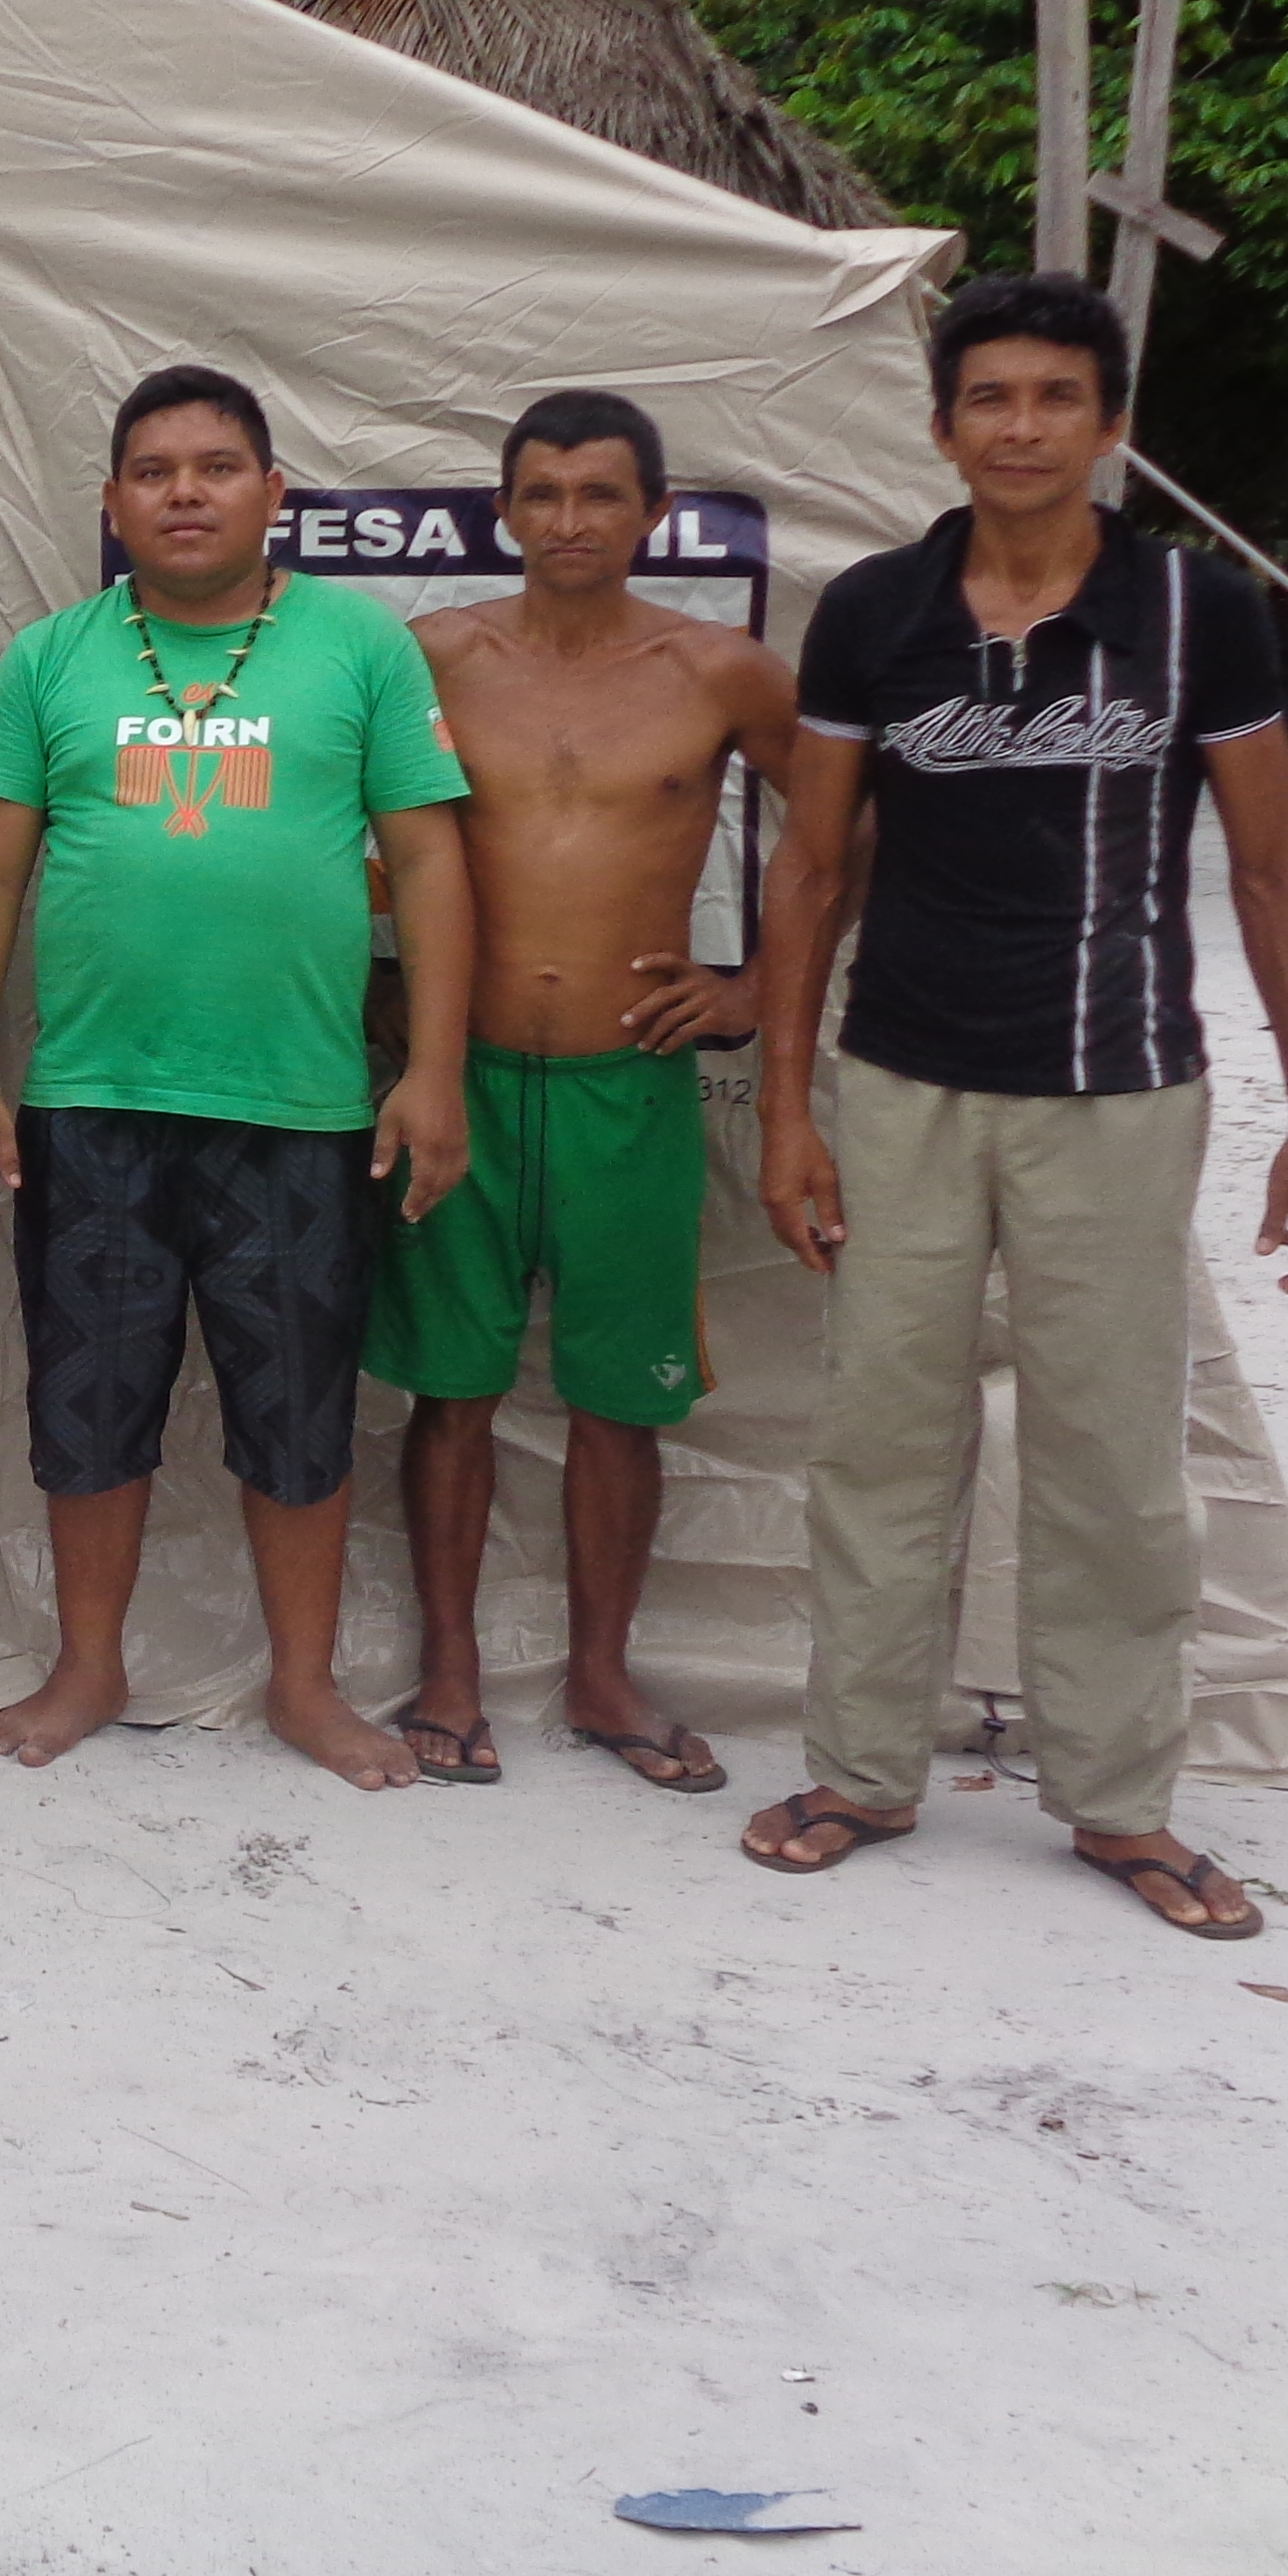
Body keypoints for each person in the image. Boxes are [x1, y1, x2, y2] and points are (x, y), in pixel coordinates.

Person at [742, 274, 1288, 1943]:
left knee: (1111, 1459)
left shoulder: (1190, 616)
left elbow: (1272, 867)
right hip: (905, 1084)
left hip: (1114, 1087)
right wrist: (787, 1107)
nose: (1019, 427)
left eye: (1055, 397)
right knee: (878, 1445)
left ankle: (1123, 1802)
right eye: (988, 397)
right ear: (940, 424)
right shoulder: (872, 611)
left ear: (1111, 421)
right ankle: (861, 1767)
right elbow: (807, 875)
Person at [0, 363, 475, 1785]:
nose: (185, 491)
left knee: (297, 1409)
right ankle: (86, 1667)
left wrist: (434, 1069)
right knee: (88, 1407)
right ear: (111, 503)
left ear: (273, 495)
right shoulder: (52, 658)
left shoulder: (361, 648)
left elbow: (426, 859)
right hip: (92, 1101)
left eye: (217, 467)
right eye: (155, 471)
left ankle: (304, 1686)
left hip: (300, 1107)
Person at [365, 391, 801, 1796]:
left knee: (623, 1401)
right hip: (460, 1078)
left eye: (599, 495)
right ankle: (448, 1669)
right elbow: (342, 831)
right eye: (541, 495)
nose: (567, 522)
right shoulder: (430, 657)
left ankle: (605, 1675)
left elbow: (850, 842)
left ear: (653, 514)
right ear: (502, 512)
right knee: (453, 1391)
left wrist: (751, 992)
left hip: (635, 1085)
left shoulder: (722, 672)